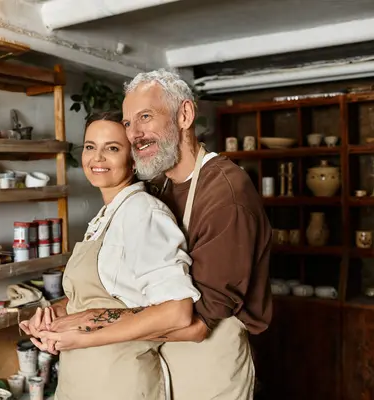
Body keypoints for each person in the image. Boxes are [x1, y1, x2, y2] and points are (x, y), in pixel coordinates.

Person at [32, 70, 273, 400]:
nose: (134, 134)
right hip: (165, 358)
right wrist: (64, 315)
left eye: (146, 117)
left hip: (209, 361)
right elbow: (133, 292)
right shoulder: (161, 184)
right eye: (129, 123)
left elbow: (194, 322)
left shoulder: (226, 194)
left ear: (184, 115)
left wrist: (83, 329)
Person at [20, 110, 201, 400]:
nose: (97, 158)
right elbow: (110, 294)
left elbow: (176, 311)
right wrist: (56, 318)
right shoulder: (107, 216)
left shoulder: (143, 213)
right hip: (80, 381)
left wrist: (86, 328)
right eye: (90, 147)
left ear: (133, 158)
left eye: (112, 148)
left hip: (120, 383)